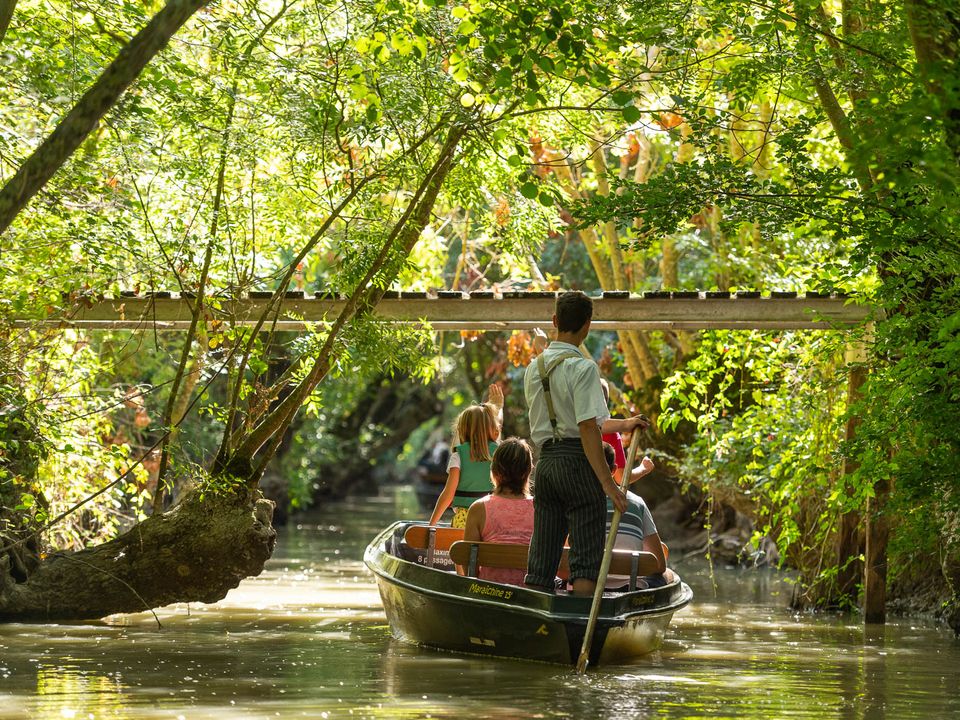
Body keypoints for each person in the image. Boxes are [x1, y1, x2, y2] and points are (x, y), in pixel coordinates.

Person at [523, 291, 646, 596]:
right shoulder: (584, 369)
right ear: (588, 325)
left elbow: (594, 421)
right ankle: (579, 623)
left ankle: (537, 621)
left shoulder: (532, 370)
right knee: (586, 557)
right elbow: (587, 427)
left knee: (543, 554)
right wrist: (609, 485)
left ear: (555, 321)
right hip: (579, 464)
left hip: (547, 464)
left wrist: (627, 423)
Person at [462, 437, 535, 585]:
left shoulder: (479, 508)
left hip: (489, 591)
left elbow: (468, 565)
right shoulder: (540, 508)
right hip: (530, 594)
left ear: (494, 470)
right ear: (528, 471)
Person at [428, 384, 503, 528]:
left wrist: (431, 525)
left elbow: (448, 495)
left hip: (465, 520)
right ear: (492, 427)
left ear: (462, 430)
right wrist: (498, 408)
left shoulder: (458, 456)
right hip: (492, 518)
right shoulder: (500, 453)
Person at [602, 442, 667, 589]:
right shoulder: (637, 502)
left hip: (586, 587)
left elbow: (564, 568)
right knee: (667, 574)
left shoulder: (577, 502)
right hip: (631, 588)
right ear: (613, 470)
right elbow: (659, 564)